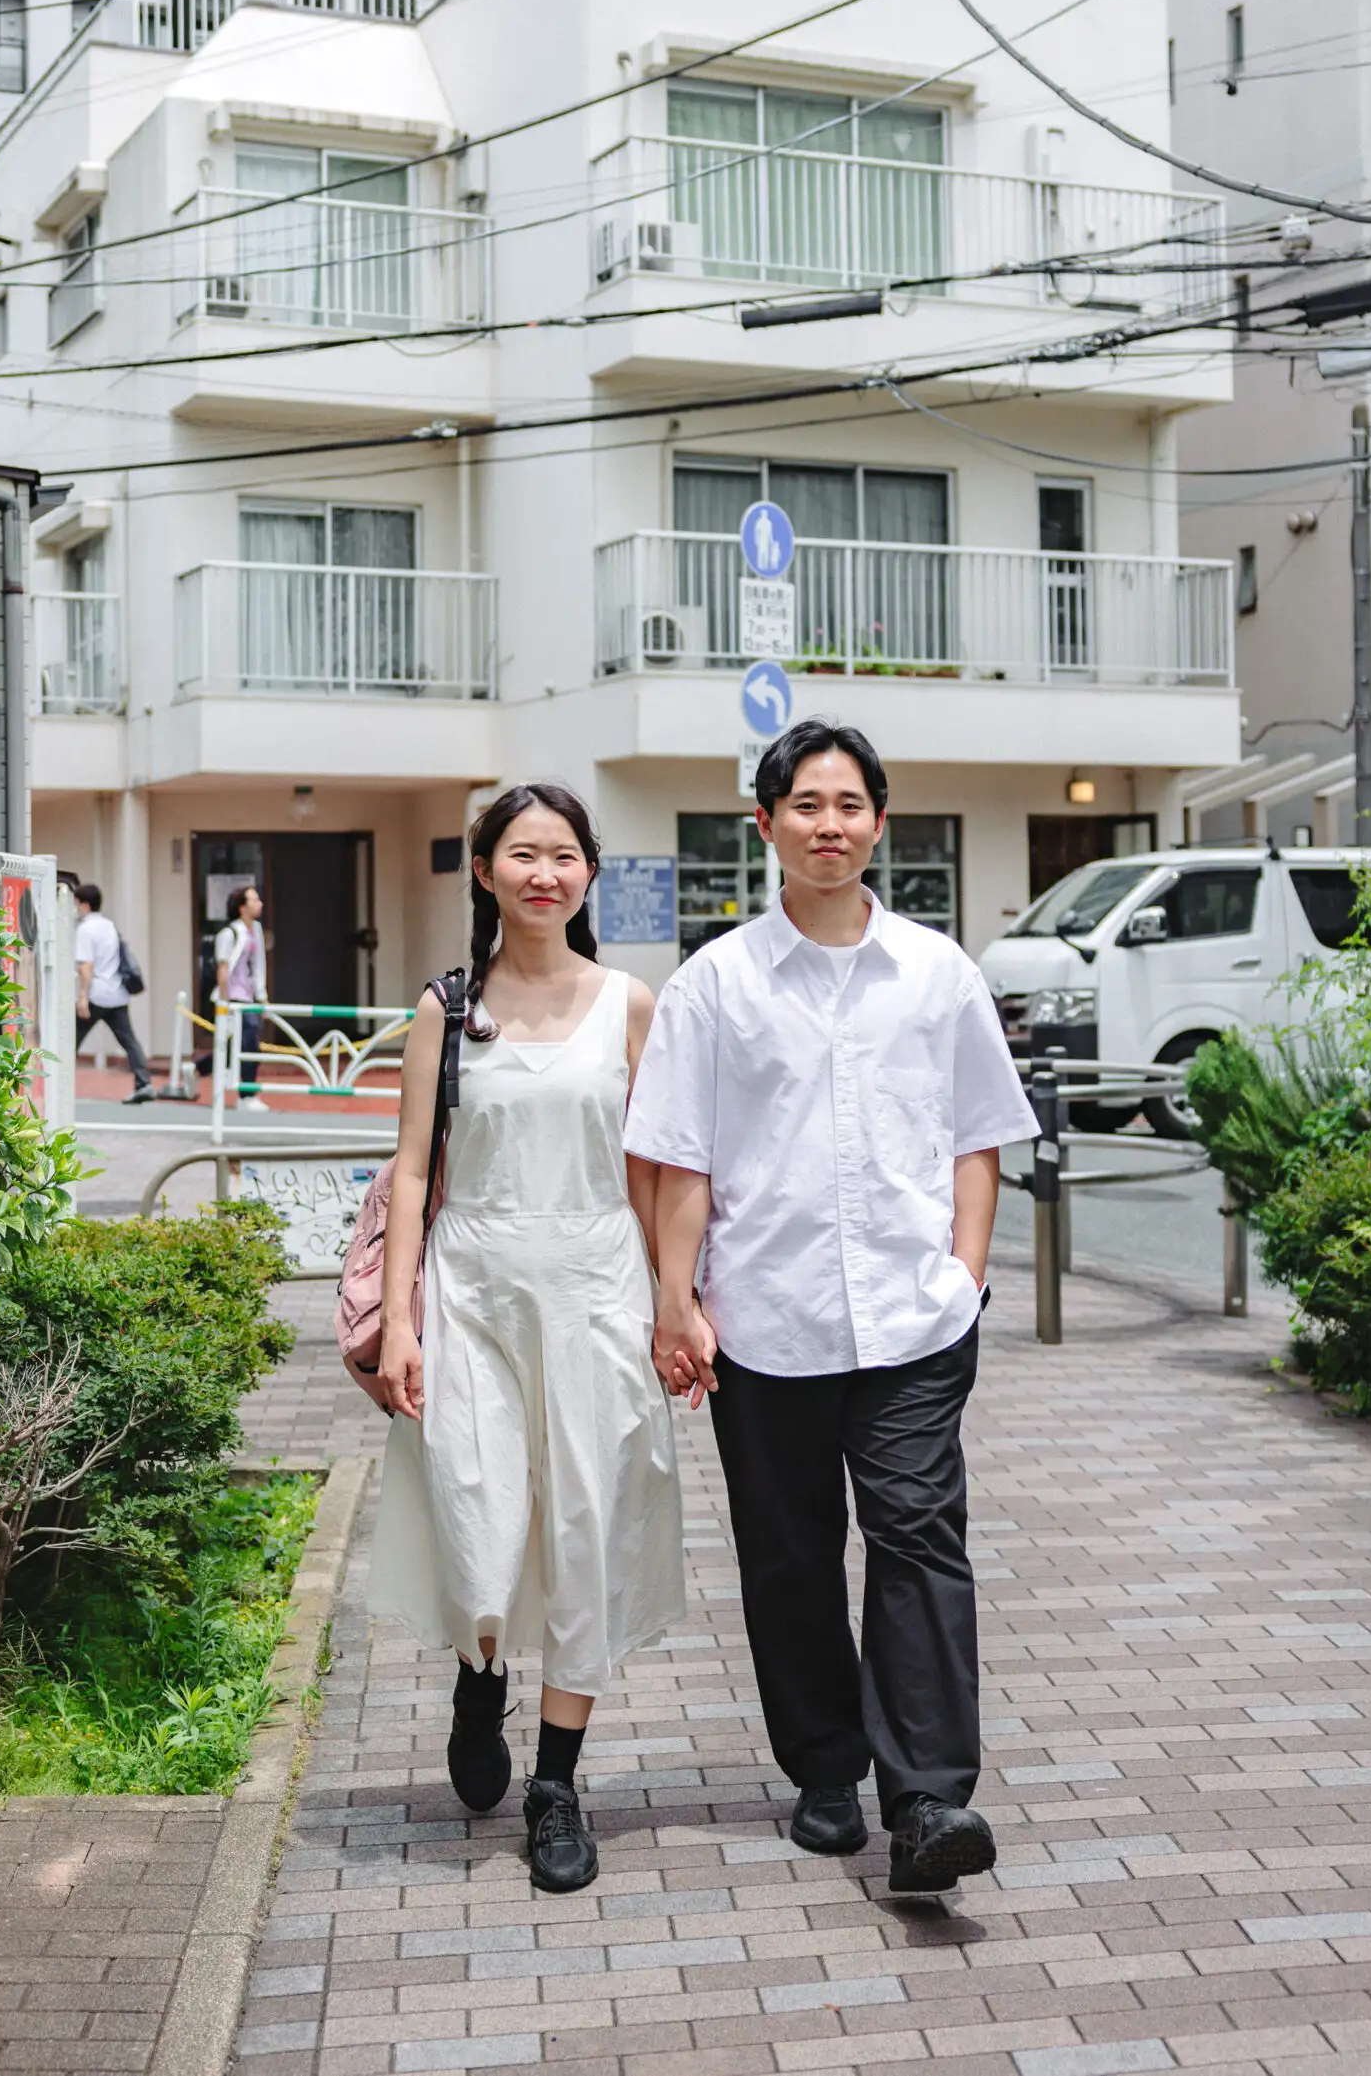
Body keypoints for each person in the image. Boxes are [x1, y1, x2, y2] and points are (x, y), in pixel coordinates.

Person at [625, 720, 1039, 1893]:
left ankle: (927, 1799)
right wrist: (675, 1300)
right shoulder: (716, 984)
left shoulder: (936, 972)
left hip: (914, 1318)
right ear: (765, 825)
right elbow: (678, 1161)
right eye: (804, 804)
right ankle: (822, 1770)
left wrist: (964, 1275)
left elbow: (975, 1136)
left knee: (915, 1538)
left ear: (878, 822)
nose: (828, 823)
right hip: (764, 1318)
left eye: (849, 803)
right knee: (789, 1555)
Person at [368, 783, 684, 1895]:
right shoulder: (446, 1009)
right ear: (487, 871)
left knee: (587, 1527)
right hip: (472, 1290)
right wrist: (400, 1318)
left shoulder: (631, 1006)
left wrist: (678, 1303)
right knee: (478, 1510)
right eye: (521, 853)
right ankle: (477, 1670)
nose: (543, 872)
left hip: (599, 1291)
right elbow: (411, 1171)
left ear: (588, 873)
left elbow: (659, 1175)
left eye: (563, 854)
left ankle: (557, 1783)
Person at [72, 882, 154, 1104]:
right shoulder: (110, 926)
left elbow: (86, 967)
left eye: (77, 904)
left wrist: (82, 998)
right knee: (129, 1040)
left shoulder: (85, 930)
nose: (75, 908)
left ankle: (59, 1084)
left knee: (71, 1039)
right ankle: (143, 1082)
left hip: (96, 994)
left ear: (85, 905)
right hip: (117, 994)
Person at [214, 882, 269, 1115]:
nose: (259, 904)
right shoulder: (229, 933)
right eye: (254, 900)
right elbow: (223, 969)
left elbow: (258, 967)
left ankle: (194, 1068)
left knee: (232, 1047)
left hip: (248, 998)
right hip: (233, 999)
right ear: (241, 907)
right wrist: (225, 1004)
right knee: (248, 1045)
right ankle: (247, 1095)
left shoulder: (255, 931)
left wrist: (262, 998)